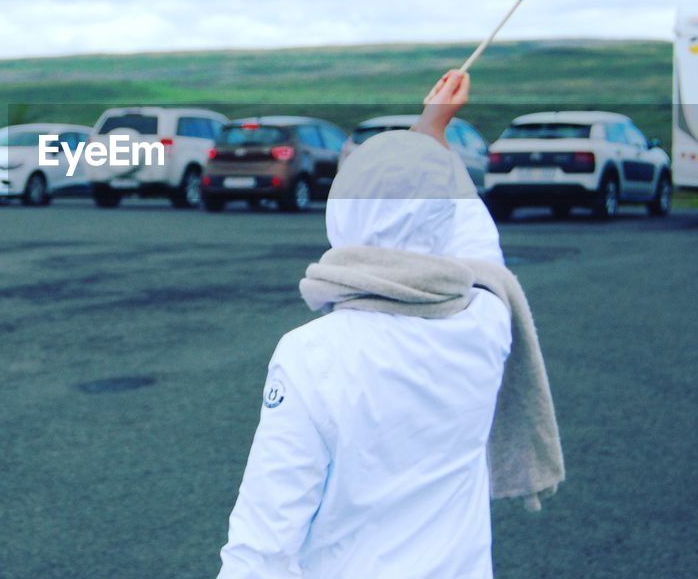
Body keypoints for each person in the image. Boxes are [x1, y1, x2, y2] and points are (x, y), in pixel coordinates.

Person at [217, 70, 564, 579]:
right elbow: (474, 240)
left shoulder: (310, 354)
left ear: (341, 214)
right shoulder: (485, 321)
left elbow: (263, 543)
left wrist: (430, 129)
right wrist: (432, 135)